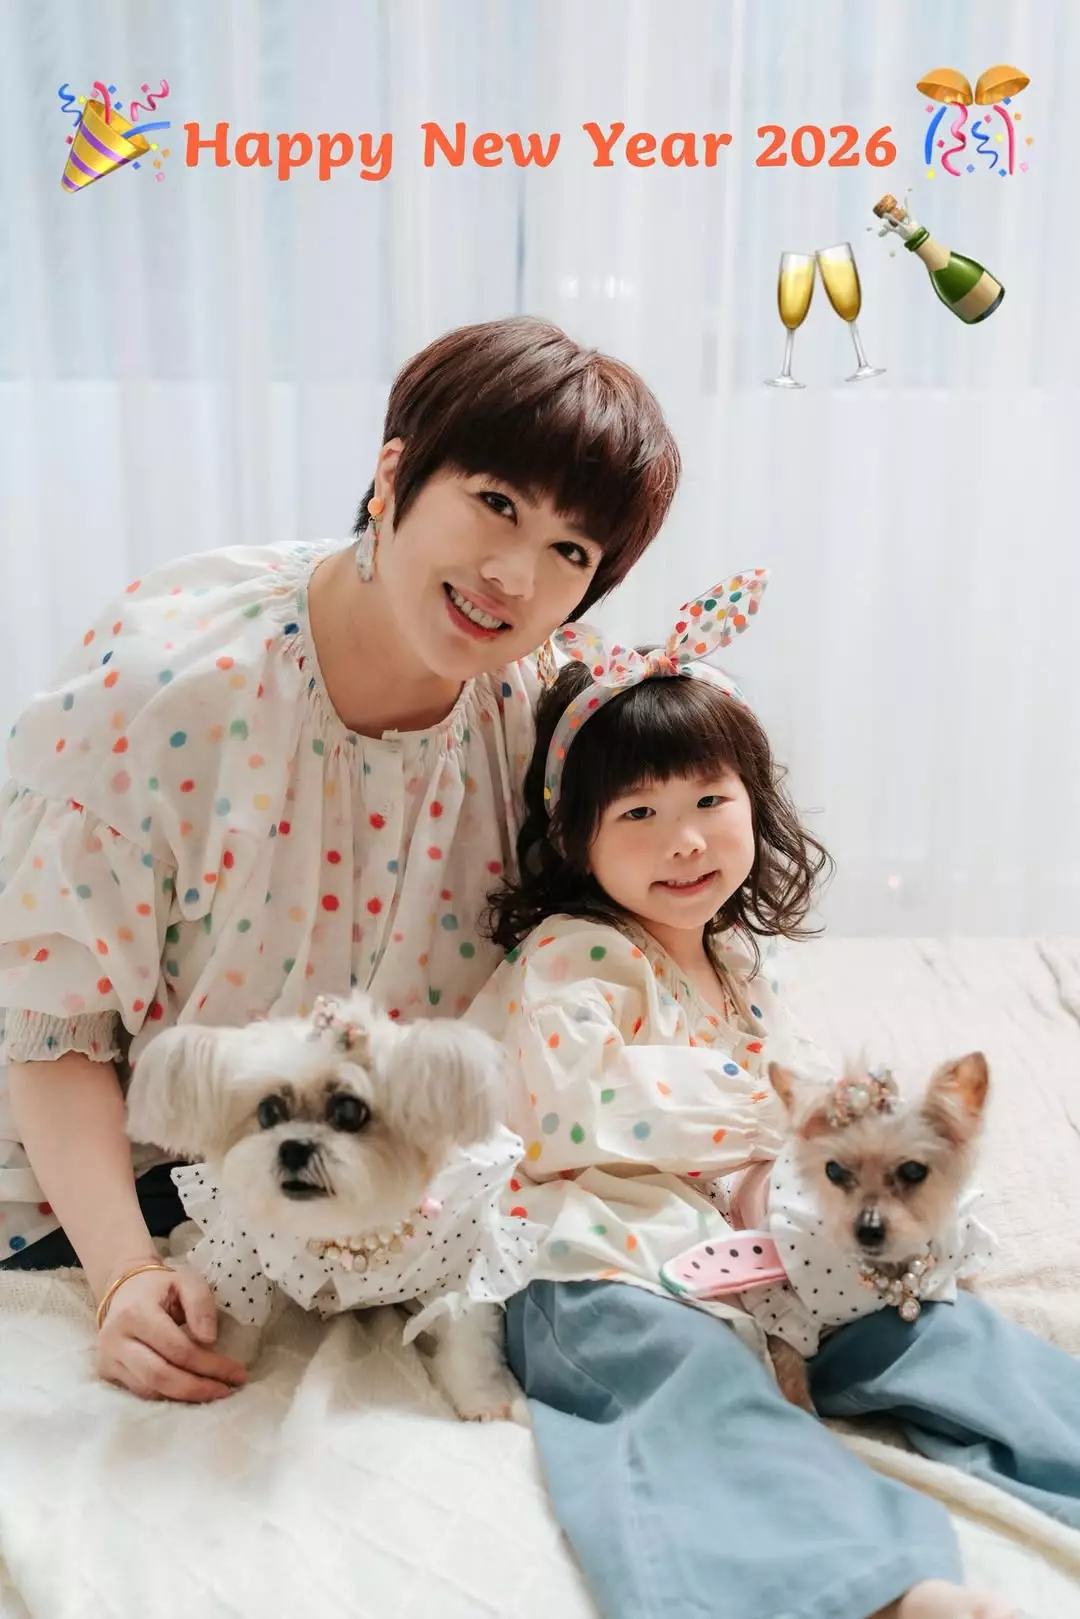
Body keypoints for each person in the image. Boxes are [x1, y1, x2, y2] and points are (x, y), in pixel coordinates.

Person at [0, 315, 681, 1408]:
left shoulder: (545, 718)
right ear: (393, 473)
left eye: (571, 552)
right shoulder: (171, 689)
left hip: (414, 1200)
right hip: (149, 1178)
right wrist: (125, 1273)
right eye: (496, 502)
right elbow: (49, 1026)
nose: (513, 575)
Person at [468, 583, 1080, 1619]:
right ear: (575, 840)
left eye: (710, 802)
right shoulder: (576, 954)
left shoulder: (743, 968)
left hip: (769, 1259)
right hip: (604, 1257)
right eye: (639, 814)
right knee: (686, 1386)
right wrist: (777, 1122)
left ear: (754, 803)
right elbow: (575, 1105)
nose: (685, 840)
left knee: (937, 1325)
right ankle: (867, 1587)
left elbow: (807, 1112)